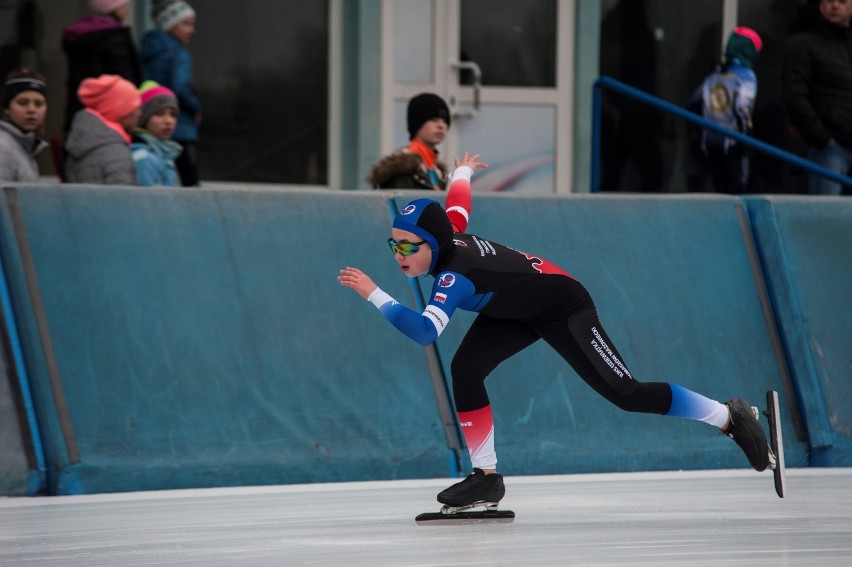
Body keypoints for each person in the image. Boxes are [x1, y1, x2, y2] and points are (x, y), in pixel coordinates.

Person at [339, 152, 774, 510]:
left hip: (564, 306)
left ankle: (728, 415)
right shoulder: (448, 235)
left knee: (627, 393)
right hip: (514, 308)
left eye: (406, 247)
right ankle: (485, 477)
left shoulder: (453, 278)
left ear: (431, 247)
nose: (399, 255)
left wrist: (374, 293)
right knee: (466, 369)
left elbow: (423, 333)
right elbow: (455, 208)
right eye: (393, 245)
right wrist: (463, 172)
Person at [784, 0, 852, 195]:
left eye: (842, 1)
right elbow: (795, 95)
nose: (835, 6)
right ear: (821, 5)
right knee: (826, 219)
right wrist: (822, 137)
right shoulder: (804, 45)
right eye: (830, 0)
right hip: (830, 148)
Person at [688, 27, 762, 194]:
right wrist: (745, 134)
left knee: (720, 188)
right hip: (734, 142)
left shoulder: (715, 74)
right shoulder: (746, 75)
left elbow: (694, 102)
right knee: (739, 191)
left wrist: (700, 133)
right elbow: (742, 107)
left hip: (711, 142)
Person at [140, 0, 201, 186]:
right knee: (188, 181)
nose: (192, 30)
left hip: (150, 127)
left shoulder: (147, 50)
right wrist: (196, 108)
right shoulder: (178, 53)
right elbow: (180, 87)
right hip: (181, 126)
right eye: (186, 23)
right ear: (170, 24)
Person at [61, 0, 142, 134]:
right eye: (124, 4)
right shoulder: (114, 38)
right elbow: (124, 76)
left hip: (80, 113)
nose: (126, 9)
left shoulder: (78, 37)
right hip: (114, 114)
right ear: (115, 7)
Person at [65, 74, 141, 185]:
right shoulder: (116, 152)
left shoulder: (80, 142)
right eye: (135, 108)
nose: (139, 114)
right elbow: (123, 199)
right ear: (119, 110)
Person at [367, 93, 451, 190]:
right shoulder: (401, 169)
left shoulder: (438, 172)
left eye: (445, 121)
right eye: (433, 120)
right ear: (417, 123)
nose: (442, 126)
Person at [0, 68, 49, 182]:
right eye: (23, 103)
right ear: (7, 108)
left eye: (38, 104)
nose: (31, 109)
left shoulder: (25, 145)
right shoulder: (3, 148)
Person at [131, 80, 182, 186]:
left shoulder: (165, 153)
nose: (169, 121)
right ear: (144, 119)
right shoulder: (144, 158)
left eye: (173, 115)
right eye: (159, 114)